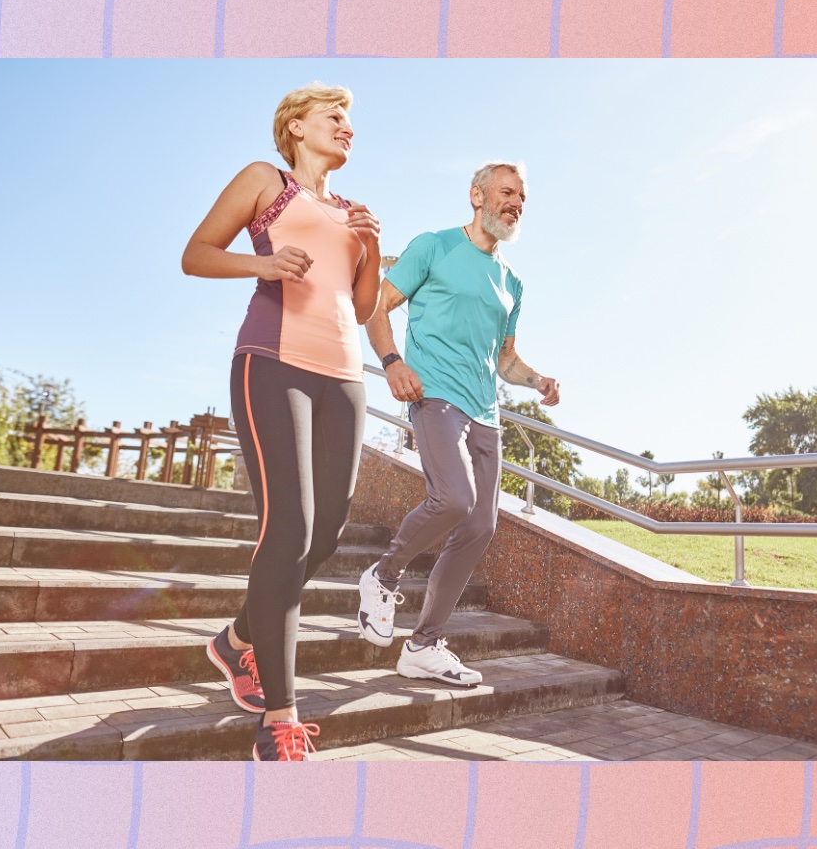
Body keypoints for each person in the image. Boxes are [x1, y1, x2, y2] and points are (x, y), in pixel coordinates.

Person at [182, 82, 382, 761]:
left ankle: (237, 637)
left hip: (345, 377)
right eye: (335, 117)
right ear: (296, 126)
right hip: (273, 361)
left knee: (325, 531)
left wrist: (372, 249)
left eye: (350, 120)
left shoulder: (352, 209)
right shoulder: (266, 181)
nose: (347, 128)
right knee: (288, 526)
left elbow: (359, 307)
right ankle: (280, 720)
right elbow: (196, 253)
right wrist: (261, 263)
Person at [360, 161, 559, 685]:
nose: (515, 203)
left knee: (479, 526)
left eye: (522, 197)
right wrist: (392, 362)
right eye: (506, 192)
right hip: (435, 396)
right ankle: (382, 576)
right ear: (477, 195)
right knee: (454, 499)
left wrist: (536, 380)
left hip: (485, 412)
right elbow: (376, 307)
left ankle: (423, 646)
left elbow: (506, 360)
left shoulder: (512, 283)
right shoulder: (434, 246)